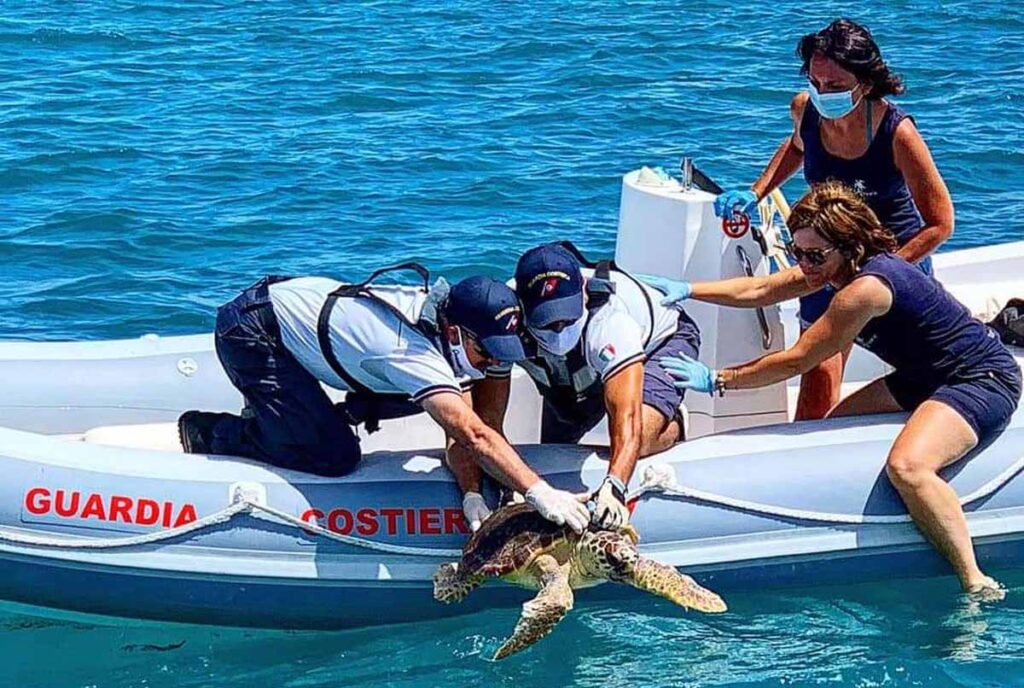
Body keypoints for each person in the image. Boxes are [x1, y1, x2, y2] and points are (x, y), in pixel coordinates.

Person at [655, 182, 1021, 595]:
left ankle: (974, 579)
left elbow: (799, 360)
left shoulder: (863, 290)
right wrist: (688, 290)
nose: (805, 264)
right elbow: (761, 289)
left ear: (847, 246)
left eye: (814, 255)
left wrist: (719, 380)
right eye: (798, 253)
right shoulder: (835, 268)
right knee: (835, 429)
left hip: (979, 378)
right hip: (924, 375)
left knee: (909, 468)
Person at [177, 267, 590, 533]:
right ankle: (216, 432)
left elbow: (460, 425)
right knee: (333, 456)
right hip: (252, 331)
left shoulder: (445, 326)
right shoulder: (408, 352)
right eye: (488, 351)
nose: (494, 362)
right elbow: (473, 434)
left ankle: (314, 416)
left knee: (432, 400)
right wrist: (540, 492)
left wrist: (474, 491)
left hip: (299, 321)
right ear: (453, 334)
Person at [714, 18, 954, 420]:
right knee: (815, 374)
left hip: (895, 262)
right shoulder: (805, 109)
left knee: (922, 371)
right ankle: (809, 454)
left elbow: (940, 223)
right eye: (816, 82)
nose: (824, 93)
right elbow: (796, 147)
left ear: (866, 82)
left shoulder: (898, 134)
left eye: (837, 87)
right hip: (826, 260)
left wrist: (882, 273)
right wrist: (758, 192)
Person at [457, 242, 702, 530]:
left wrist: (615, 486)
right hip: (570, 367)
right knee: (557, 445)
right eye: (548, 322)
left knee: (641, 438)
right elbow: (488, 421)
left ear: (584, 291)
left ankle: (673, 422)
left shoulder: (611, 322)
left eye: (567, 317)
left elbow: (628, 417)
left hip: (661, 340)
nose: (560, 330)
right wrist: (501, 483)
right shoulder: (502, 320)